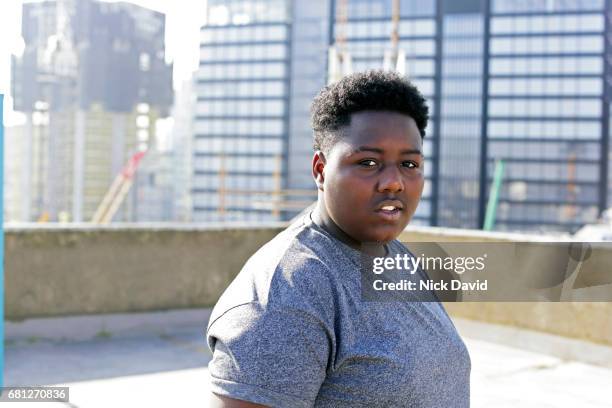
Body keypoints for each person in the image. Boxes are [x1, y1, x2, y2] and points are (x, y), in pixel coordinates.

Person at [206, 70, 471, 408]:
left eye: (409, 163)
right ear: (320, 170)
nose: (394, 182)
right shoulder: (287, 295)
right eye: (368, 162)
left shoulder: (397, 257)